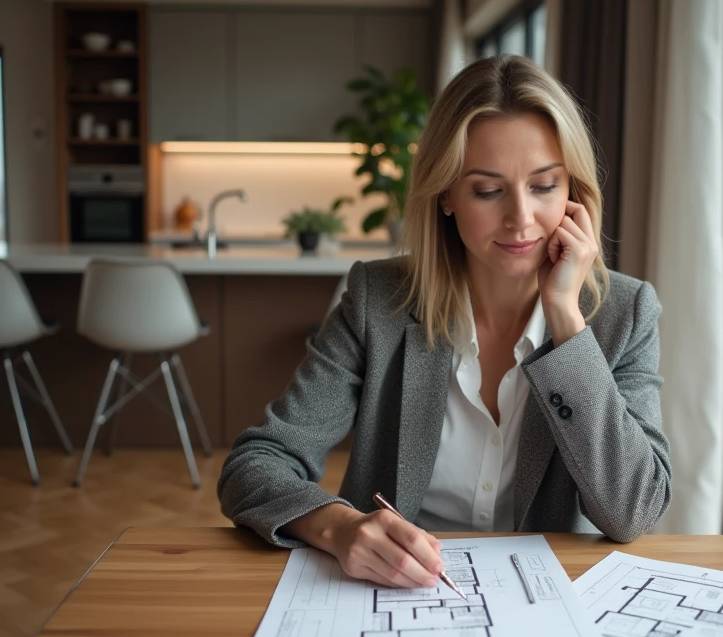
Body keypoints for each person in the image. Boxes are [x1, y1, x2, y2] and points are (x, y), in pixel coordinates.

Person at [218, 55, 671, 590]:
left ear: (573, 192)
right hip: (394, 594)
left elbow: (634, 509)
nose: (521, 218)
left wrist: (567, 322)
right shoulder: (378, 301)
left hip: (544, 600)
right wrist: (339, 528)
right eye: (487, 190)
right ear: (446, 196)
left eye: (544, 185)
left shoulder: (625, 312)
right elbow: (257, 462)